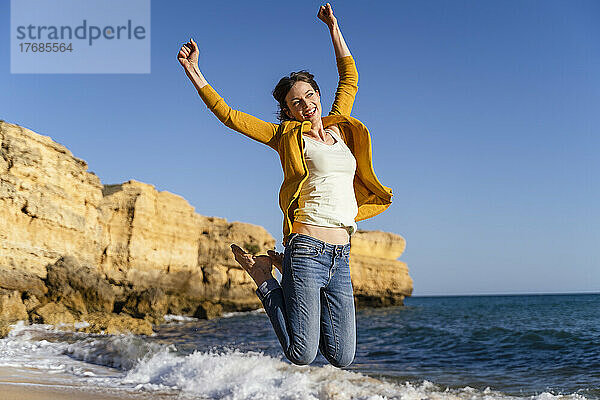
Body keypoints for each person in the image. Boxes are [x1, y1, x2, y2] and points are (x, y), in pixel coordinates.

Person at [177, 3, 392, 368]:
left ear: (319, 97)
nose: (306, 104)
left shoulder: (340, 127)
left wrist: (332, 26)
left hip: (342, 255)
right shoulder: (286, 137)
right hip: (307, 247)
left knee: (342, 357)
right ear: (289, 111)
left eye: (310, 96)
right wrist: (194, 71)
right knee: (301, 354)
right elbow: (230, 116)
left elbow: (350, 76)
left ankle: (282, 270)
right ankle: (264, 277)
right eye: (296, 102)